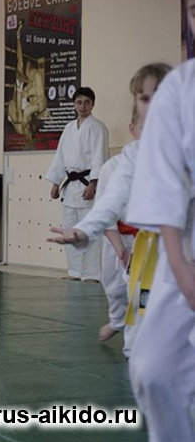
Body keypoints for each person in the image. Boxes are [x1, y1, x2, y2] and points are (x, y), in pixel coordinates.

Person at [47, 64, 171, 352]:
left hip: (161, 245)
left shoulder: (178, 161)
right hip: (123, 236)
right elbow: (106, 210)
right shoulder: (119, 166)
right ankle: (119, 324)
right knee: (117, 287)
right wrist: (84, 233)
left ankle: (136, 345)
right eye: (144, 99)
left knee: (144, 296)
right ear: (132, 128)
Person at [125, 0, 195, 442]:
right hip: (185, 245)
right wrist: (180, 267)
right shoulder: (179, 88)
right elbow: (165, 179)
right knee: (152, 368)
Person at [45, 87, 108, 283]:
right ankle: (74, 271)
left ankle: (91, 274)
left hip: (87, 183)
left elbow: (99, 157)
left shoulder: (98, 127)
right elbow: (60, 156)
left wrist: (93, 184)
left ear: (93, 105)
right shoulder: (69, 128)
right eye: (79, 102)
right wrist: (56, 182)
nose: (83, 106)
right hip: (70, 185)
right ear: (74, 104)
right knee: (70, 230)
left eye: (87, 102)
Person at [7, 19, 49, 142]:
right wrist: (18, 37)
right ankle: (18, 36)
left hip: (17, 105)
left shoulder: (20, 122)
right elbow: (20, 59)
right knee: (38, 102)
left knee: (20, 118)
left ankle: (18, 36)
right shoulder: (34, 105)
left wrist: (22, 90)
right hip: (23, 104)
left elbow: (18, 106)